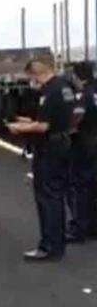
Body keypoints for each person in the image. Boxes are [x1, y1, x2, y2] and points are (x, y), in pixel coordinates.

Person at [8, 60, 76, 262]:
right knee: (57, 195)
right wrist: (28, 122)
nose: (31, 82)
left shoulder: (49, 91)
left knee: (47, 198)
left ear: (35, 74)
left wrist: (19, 128)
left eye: (31, 78)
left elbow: (44, 126)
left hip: (49, 148)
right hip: (63, 142)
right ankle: (58, 243)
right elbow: (56, 119)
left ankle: (49, 246)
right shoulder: (65, 87)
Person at [65, 61, 97, 242]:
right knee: (93, 186)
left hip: (84, 145)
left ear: (77, 76)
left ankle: (79, 228)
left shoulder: (83, 95)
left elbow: (76, 119)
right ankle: (93, 225)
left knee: (79, 187)